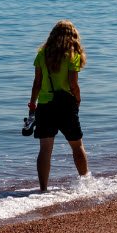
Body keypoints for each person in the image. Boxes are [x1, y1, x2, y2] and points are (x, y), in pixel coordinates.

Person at [27, 20, 90, 192]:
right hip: (66, 105)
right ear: (73, 35)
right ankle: (85, 184)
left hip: (45, 106)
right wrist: (78, 99)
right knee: (77, 146)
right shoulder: (72, 55)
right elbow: (73, 84)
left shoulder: (42, 54)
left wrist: (32, 105)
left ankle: (43, 189)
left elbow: (37, 83)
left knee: (45, 150)